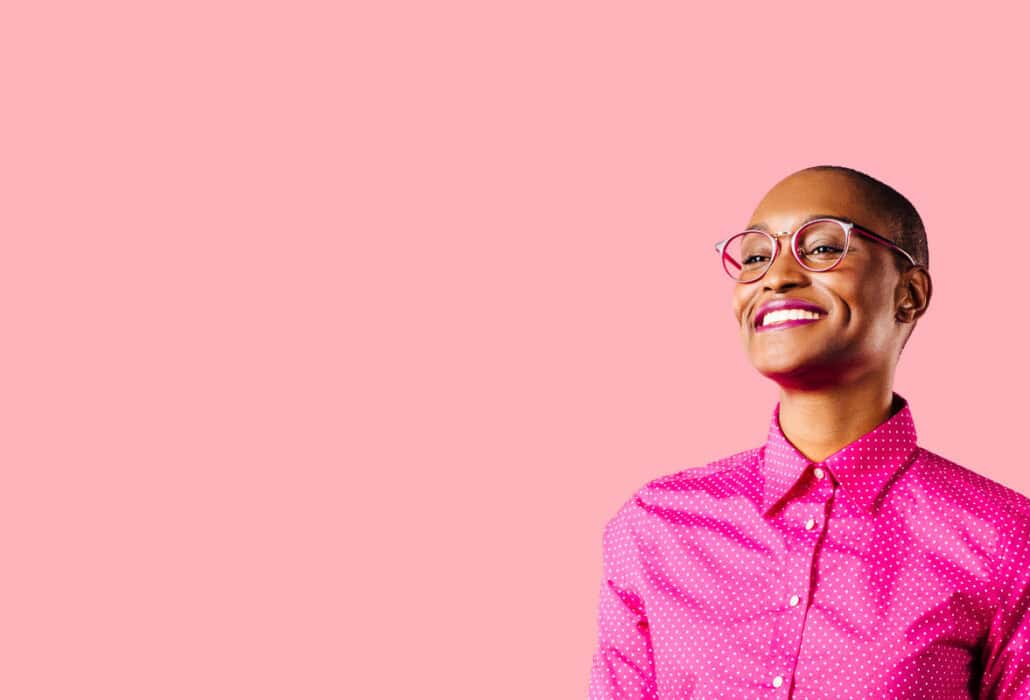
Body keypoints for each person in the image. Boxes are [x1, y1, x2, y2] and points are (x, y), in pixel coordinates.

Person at [588, 165, 1030, 699]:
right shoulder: (655, 527)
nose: (776, 276)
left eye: (821, 248)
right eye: (755, 257)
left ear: (909, 294)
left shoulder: (1005, 541)